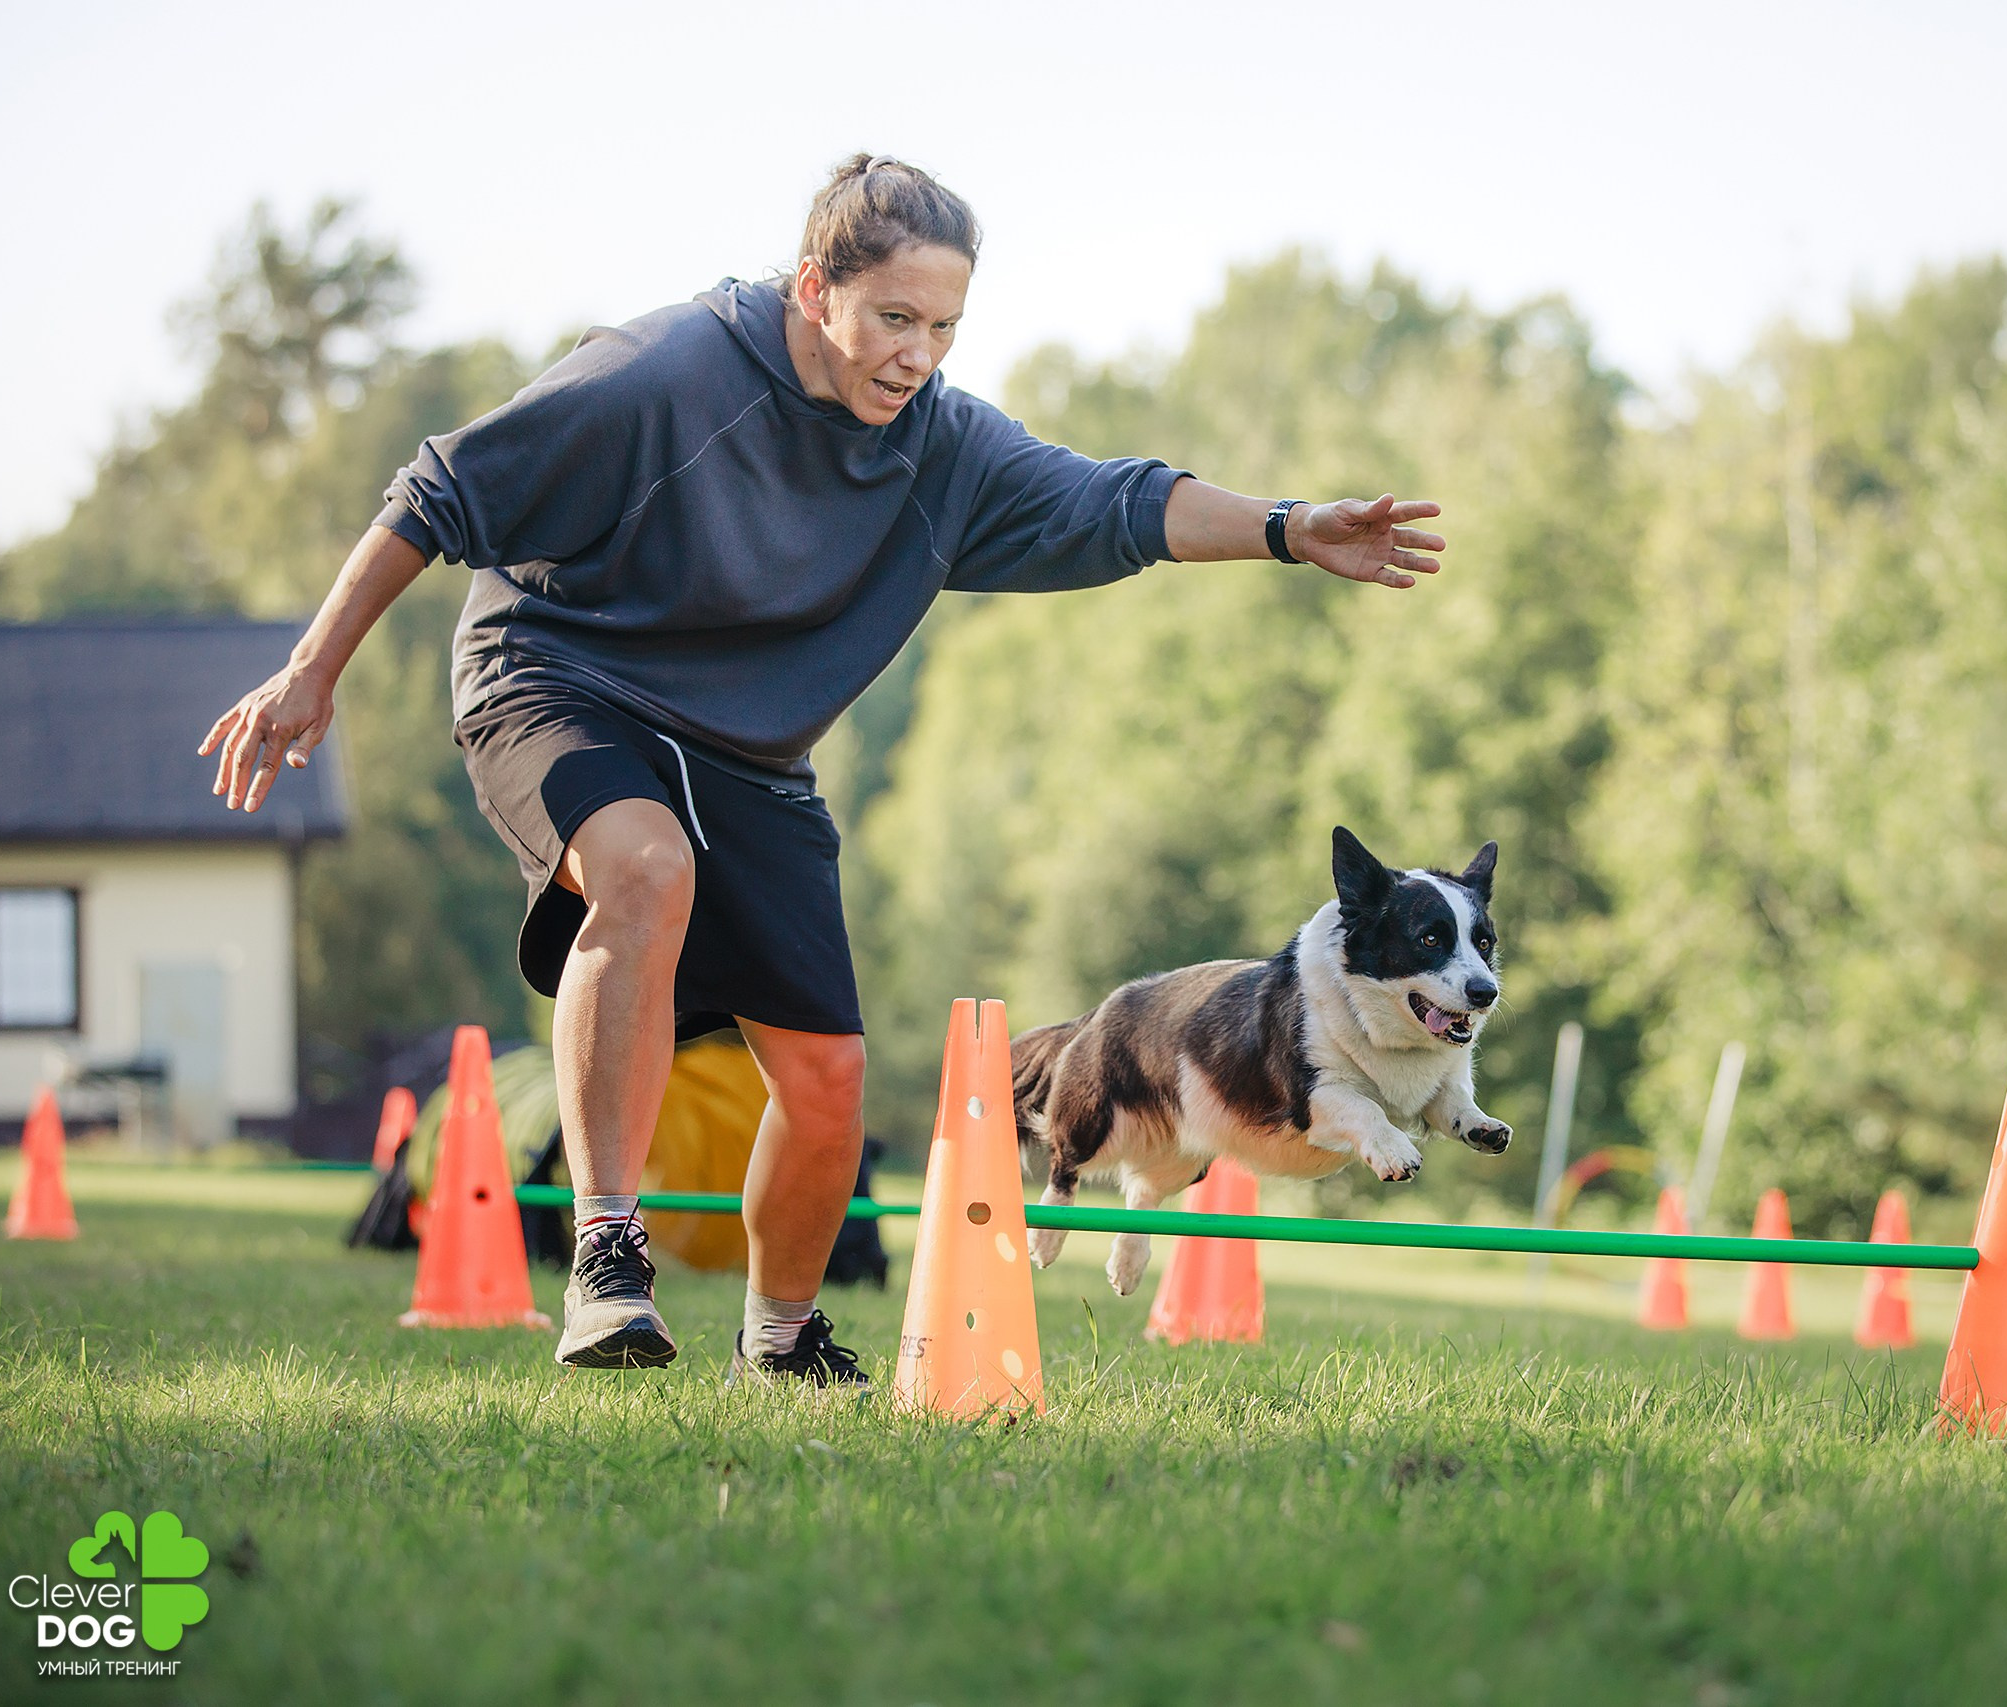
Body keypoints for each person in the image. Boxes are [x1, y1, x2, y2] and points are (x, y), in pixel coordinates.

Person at [202, 154, 1445, 1392]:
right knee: (642, 868)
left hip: (746, 749)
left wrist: (1286, 529)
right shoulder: (665, 376)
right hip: (560, 674)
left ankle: (781, 1338)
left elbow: (1117, 503)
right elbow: (439, 487)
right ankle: (607, 1252)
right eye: (894, 318)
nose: (919, 354)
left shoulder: (942, 448)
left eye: (946, 327)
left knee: (828, 1076)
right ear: (814, 289)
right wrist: (310, 671)